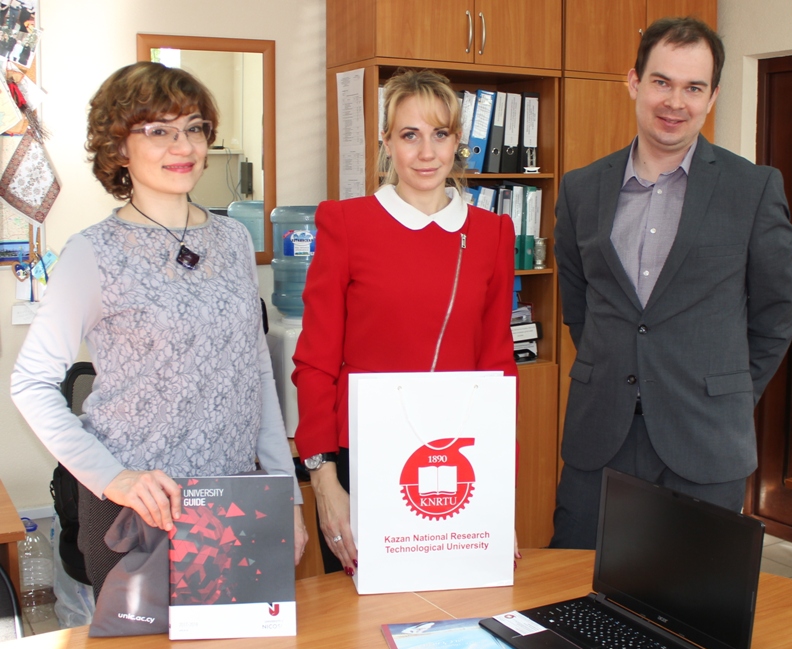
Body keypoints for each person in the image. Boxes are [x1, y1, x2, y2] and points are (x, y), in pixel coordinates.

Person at [11, 62, 308, 597]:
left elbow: (256, 375)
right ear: (118, 147)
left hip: (235, 499)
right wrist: (113, 478)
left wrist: (287, 492)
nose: (183, 145)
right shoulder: (92, 253)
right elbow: (30, 383)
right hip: (141, 509)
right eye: (158, 131)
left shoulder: (234, 239)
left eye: (194, 128)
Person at [551, 17, 792, 549]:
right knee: (572, 584)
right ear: (634, 82)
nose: (675, 102)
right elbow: (579, 305)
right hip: (602, 435)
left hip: (705, 438)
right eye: (662, 82)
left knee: (693, 594)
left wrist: (725, 392)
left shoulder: (752, 188)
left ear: (712, 97)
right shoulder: (580, 189)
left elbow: (776, 315)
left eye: (693, 88)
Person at [292, 69, 518, 575]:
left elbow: (498, 369)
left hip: (459, 462)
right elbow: (315, 364)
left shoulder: (492, 233)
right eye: (410, 135)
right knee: (360, 615)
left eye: (440, 134)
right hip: (361, 460)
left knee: (458, 605)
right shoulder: (346, 223)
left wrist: (499, 496)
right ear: (387, 141)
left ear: (457, 142)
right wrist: (324, 484)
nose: (426, 152)